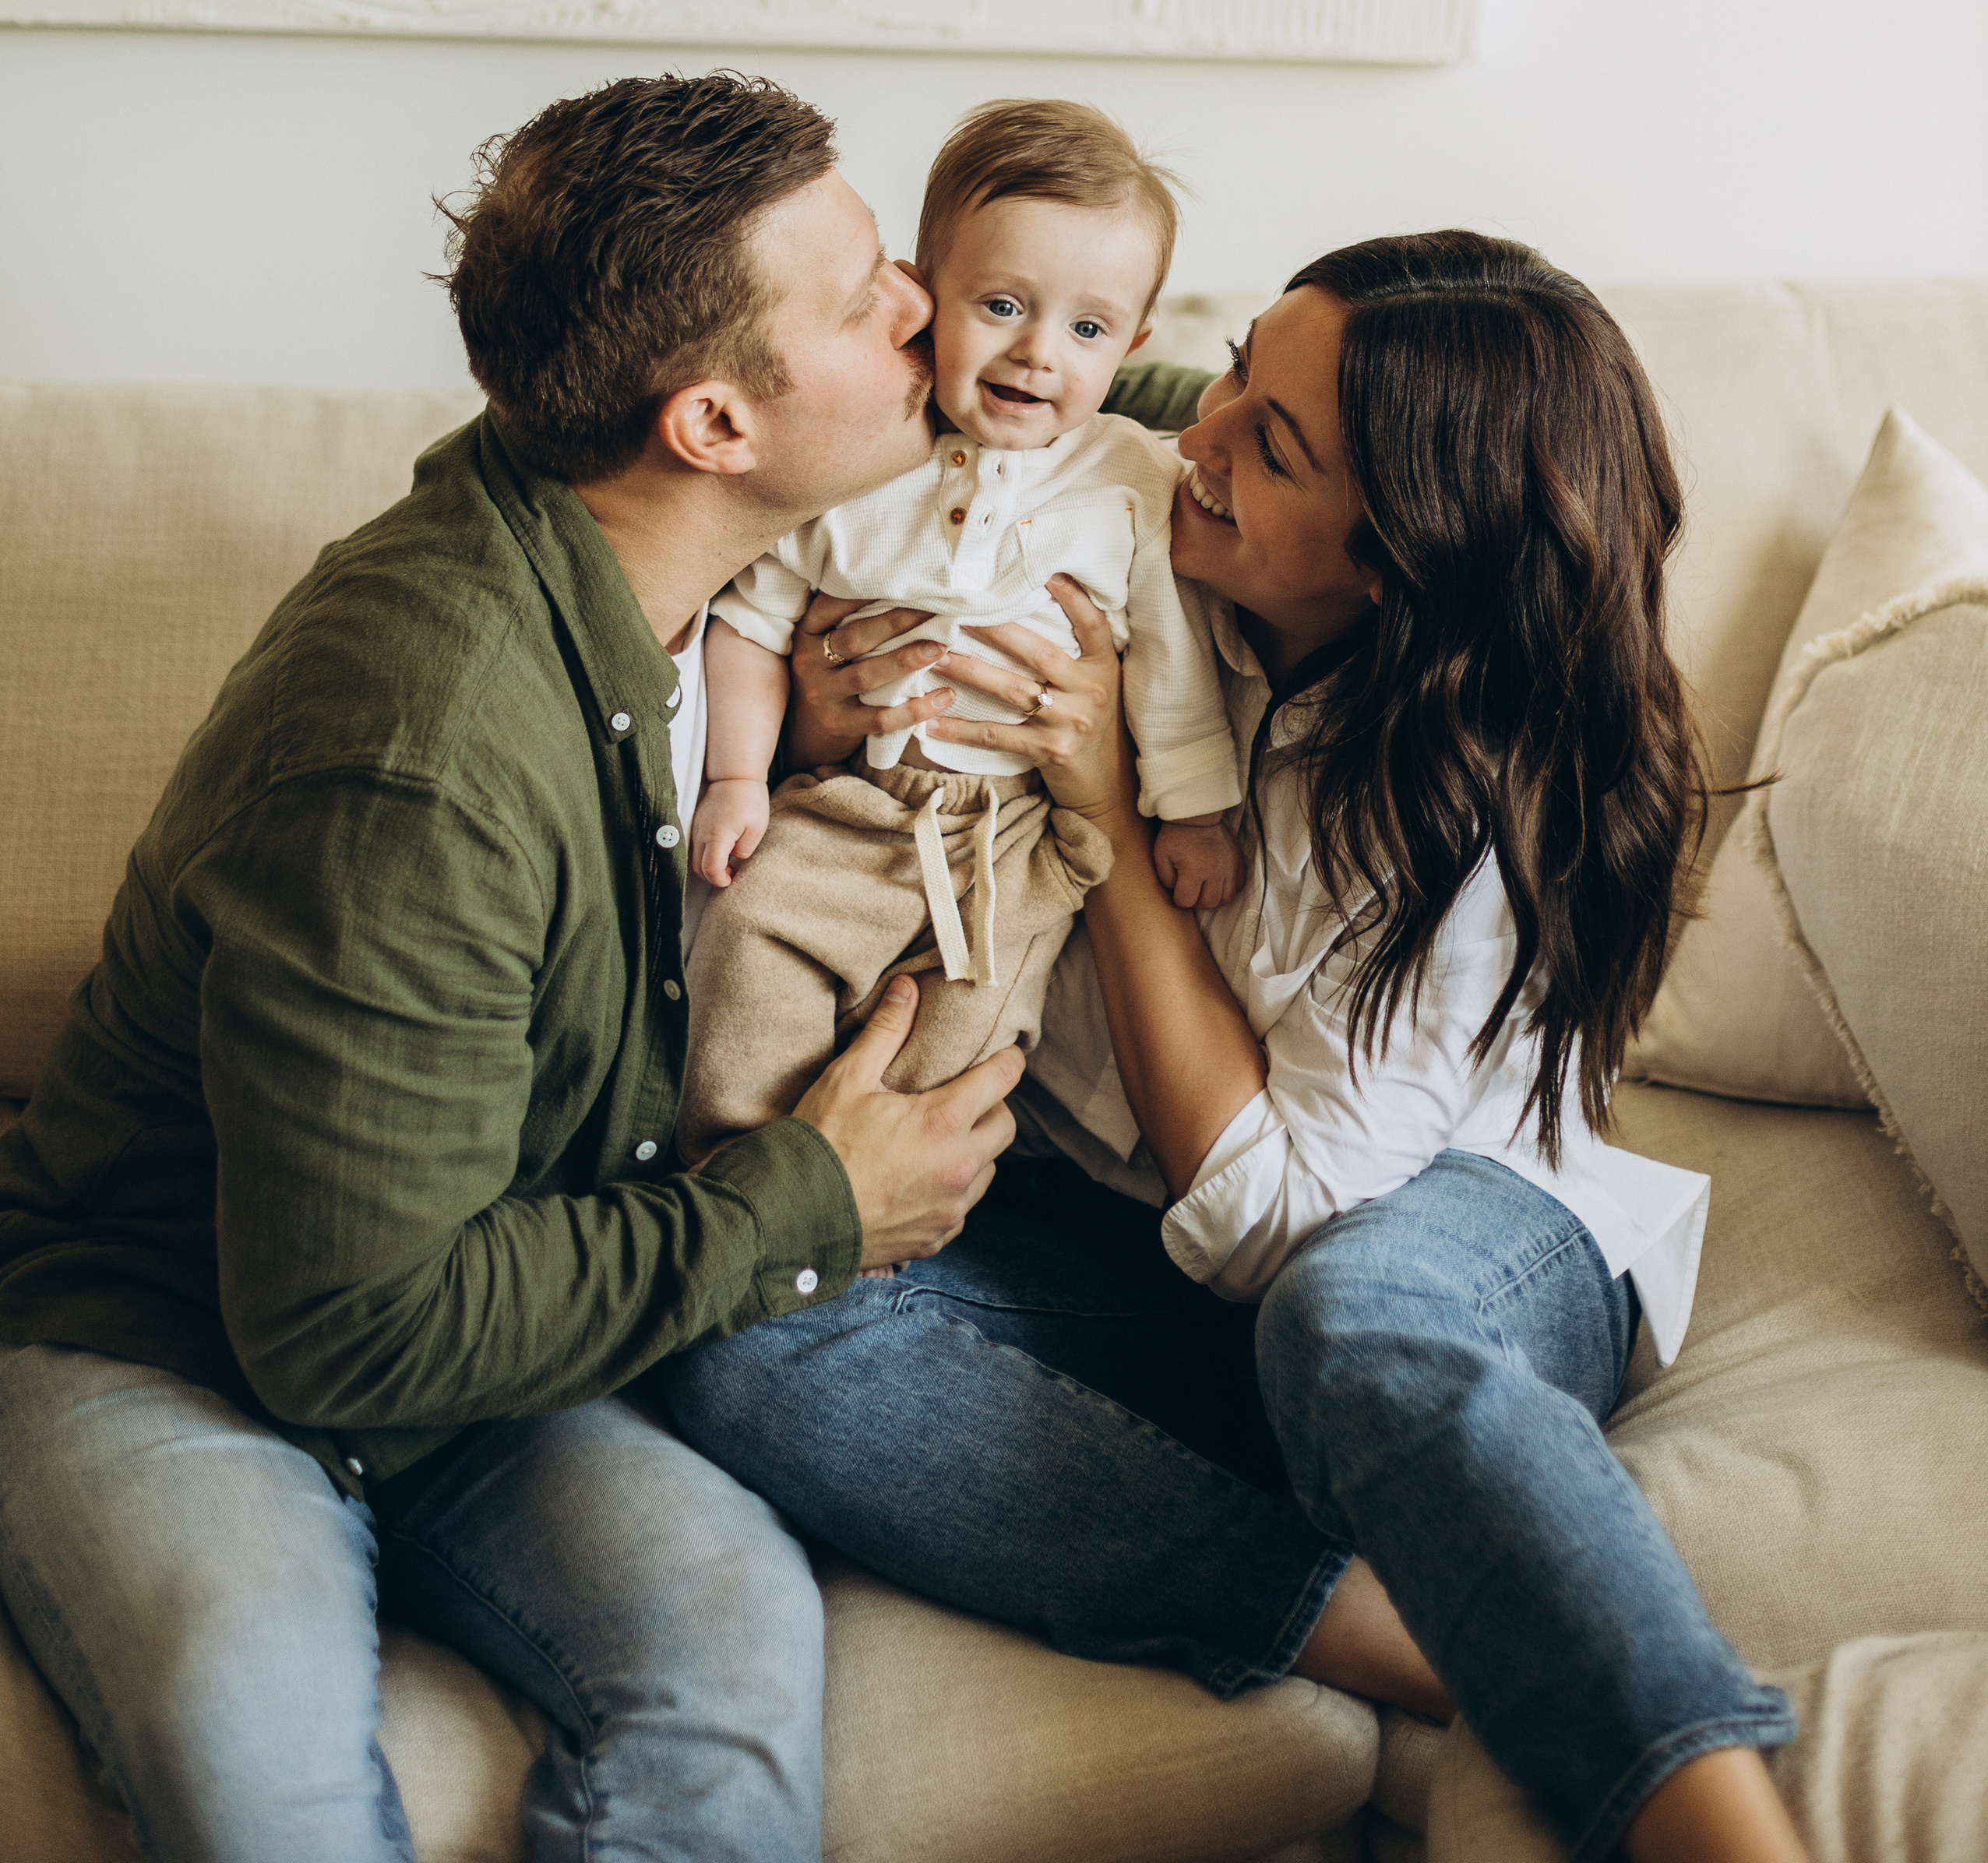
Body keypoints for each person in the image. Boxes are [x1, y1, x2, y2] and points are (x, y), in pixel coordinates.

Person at [663, 234, 1813, 1863]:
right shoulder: (1135, 529)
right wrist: (830, 712)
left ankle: (1716, 1815)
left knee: (1348, 1316)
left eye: (1265, 444)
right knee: (740, 1321)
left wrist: (1108, 826)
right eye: (1229, 379)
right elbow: (944, 477)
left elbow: (1284, 1225)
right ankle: (1423, 1642)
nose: (1187, 438)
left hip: (1434, 1242)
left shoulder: (1468, 805)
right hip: (1123, 1249)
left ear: (1401, 553)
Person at [0, 72, 1027, 1863]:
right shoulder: (420, 751)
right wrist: (807, 1205)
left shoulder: (646, 587)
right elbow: (345, 1328)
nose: (922, 307)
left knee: (732, 1645)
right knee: (270, 1788)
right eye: (865, 294)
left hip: (488, 1324)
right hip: (167, 1333)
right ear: (709, 420)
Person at [678, 99, 1242, 1164]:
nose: (1038, 353)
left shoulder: (1132, 477)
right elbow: (751, 621)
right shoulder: (861, 460)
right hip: (846, 808)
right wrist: (739, 780)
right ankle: (737, 1174)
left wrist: (1195, 808)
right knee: (750, 951)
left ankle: (901, 1210)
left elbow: (1166, 655)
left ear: (1132, 342)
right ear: (920, 293)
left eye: (1087, 329)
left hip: (1016, 836)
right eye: (1000, 304)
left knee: (975, 1035)